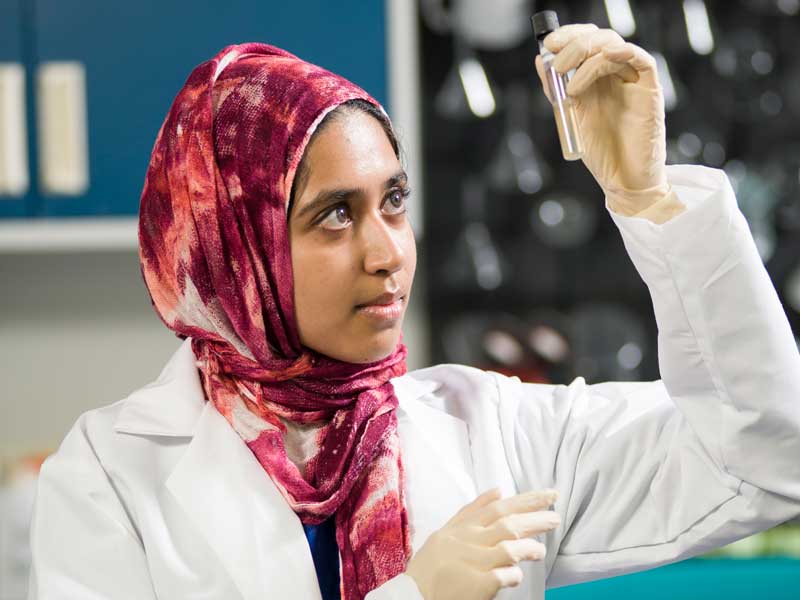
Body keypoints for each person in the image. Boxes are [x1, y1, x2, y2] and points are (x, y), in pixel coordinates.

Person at [27, 23, 800, 600]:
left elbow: (766, 461)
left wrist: (652, 199)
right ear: (234, 250)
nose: (387, 251)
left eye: (393, 202)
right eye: (334, 214)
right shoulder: (110, 476)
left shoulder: (489, 428)